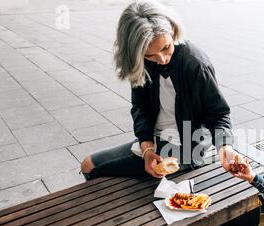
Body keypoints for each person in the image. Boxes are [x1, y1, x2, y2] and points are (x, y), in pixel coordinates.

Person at [80, 0, 237, 180]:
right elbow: (139, 107)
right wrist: (147, 148)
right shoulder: (141, 63)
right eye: (150, 55)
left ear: (172, 30)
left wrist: (225, 146)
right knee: (88, 164)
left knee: (92, 168)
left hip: (187, 146)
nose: (162, 59)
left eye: (166, 48)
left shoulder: (195, 64)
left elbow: (219, 113)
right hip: (155, 140)